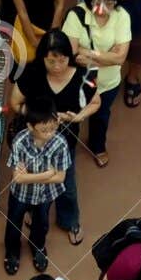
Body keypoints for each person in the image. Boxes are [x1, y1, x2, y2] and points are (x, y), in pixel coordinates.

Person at [12, 30, 97, 245]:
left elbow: (96, 102)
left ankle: (69, 220)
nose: (57, 66)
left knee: (67, 184)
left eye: (62, 60)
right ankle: (32, 210)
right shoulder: (32, 73)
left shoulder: (83, 76)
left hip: (64, 141)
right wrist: (41, 119)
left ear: (70, 56)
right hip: (33, 140)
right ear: (42, 58)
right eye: (51, 61)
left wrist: (79, 117)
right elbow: (15, 103)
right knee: (32, 180)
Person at [62, 0, 131, 168]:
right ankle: (68, 148)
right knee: (73, 115)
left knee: (101, 116)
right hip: (80, 81)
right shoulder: (76, 15)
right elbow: (72, 53)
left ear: (115, 1)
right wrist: (107, 57)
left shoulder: (122, 16)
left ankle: (97, 146)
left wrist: (88, 55)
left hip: (108, 82)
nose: (102, 8)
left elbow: (120, 58)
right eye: (97, 2)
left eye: (108, 3)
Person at [3, 101, 72, 275]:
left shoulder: (61, 143)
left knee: (41, 223)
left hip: (46, 195)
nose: (50, 134)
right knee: (14, 223)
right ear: (30, 126)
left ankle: (38, 246)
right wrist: (47, 174)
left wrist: (29, 177)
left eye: (53, 128)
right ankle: (12, 251)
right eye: (44, 130)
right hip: (20, 194)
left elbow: (61, 177)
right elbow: (18, 178)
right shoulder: (19, 141)